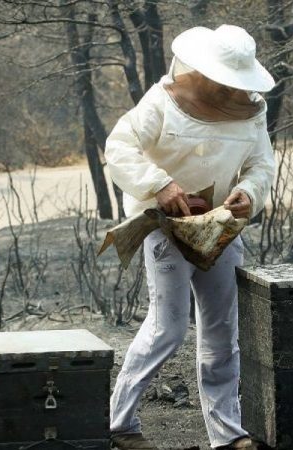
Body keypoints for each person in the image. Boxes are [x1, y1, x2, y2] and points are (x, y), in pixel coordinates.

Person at [104, 24, 276, 450]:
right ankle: (119, 425)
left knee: (222, 332)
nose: (227, 88)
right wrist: (159, 184)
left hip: (219, 227)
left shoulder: (253, 109)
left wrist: (248, 192)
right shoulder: (164, 99)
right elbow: (120, 146)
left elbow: (261, 163)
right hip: (163, 226)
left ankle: (227, 436)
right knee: (168, 328)